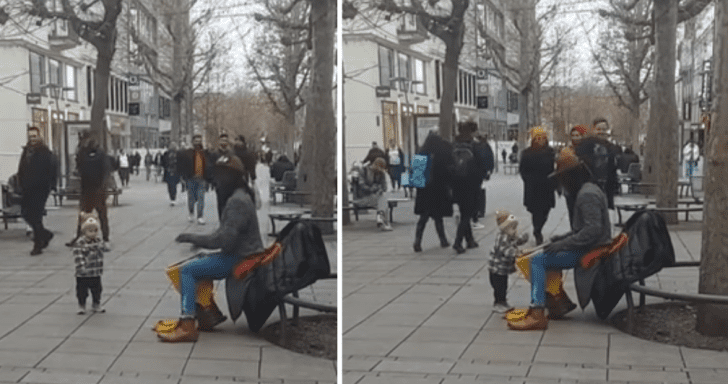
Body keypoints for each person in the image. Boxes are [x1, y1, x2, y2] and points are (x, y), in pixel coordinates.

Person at [508, 147, 611, 331]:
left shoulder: (587, 194)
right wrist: (561, 238)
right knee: (544, 256)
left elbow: (592, 231)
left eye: (563, 178)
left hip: (592, 251)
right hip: (590, 246)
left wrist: (562, 244)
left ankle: (537, 311)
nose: (561, 184)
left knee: (537, 261)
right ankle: (558, 303)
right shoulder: (588, 190)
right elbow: (584, 229)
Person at [163, 155, 263, 342]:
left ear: (231, 177)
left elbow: (225, 240)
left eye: (220, 176)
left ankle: (187, 324)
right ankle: (209, 314)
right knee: (199, 263)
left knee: (187, 271)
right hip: (242, 254)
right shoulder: (240, 196)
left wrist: (192, 238)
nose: (216, 180)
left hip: (242, 258)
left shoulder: (237, 202)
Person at [17, 126, 57, 256]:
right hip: (27, 188)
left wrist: (51, 186)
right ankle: (45, 235)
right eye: (30, 136)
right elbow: (21, 168)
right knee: (27, 214)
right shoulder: (26, 151)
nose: (32, 139)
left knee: (36, 216)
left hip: (40, 189)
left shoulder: (45, 152)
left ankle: (37, 244)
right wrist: (20, 182)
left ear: (39, 136)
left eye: (34, 136)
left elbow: (52, 171)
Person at [412, 133, 453, 252]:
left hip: (424, 191)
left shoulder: (421, 154)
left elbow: (416, 175)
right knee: (438, 217)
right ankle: (443, 240)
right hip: (436, 191)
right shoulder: (440, 155)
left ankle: (418, 241)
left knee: (423, 218)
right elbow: (445, 174)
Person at [73, 134, 113, 250]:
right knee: (102, 216)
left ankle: (80, 236)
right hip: (98, 190)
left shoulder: (83, 155)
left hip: (87, 190)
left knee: (84, 215)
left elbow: (79, 169)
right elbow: (106, 171)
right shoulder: (101, 155)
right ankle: (105, 239)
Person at [519, 127, 556, 245]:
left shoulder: (550, 152)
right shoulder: (527, 153)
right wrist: (528, 180)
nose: (540, 140)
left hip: (547, 186)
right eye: (538, 138)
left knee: (546, 211)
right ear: (534, 139)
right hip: (533, 187)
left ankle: (538, 228)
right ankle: (537, 231)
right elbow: (522, 170)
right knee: (536, 212)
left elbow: (553, 168)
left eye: (543, 138)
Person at [450, 121, 483, 254]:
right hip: (470, 185)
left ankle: (470, 240)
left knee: (464, 212)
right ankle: (458, 242)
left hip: (456, 185)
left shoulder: (454, 145)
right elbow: (481, 166)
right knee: (466, 215)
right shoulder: (474, 145)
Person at [574, 118, 619, 209]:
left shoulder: (611, 148)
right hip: (588, 191)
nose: (602, 132)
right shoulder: (585, 145)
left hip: (604, 191)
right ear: (593, 129)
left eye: (604, 129)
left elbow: (612, 172)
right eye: (599, 129)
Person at [489, 210, 529, 313]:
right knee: (499, 287)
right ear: (505, 227)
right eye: (512, 227)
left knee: (504, 285)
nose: (514, 230)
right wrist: (515, 252)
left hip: (502, 268)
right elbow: (505, 250)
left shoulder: (509, 234)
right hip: (497, 268)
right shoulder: (502, 237)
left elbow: (516, 240)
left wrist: (523, 239)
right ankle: (498, 303)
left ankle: (502, 301)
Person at [73, 215, 106, 315]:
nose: (93, 233)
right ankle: (81, 304)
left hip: (95, 271)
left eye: (95, 231)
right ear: (84, 231)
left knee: (97, 289)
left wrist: (103, 246)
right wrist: (81, 267)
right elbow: (78, 255)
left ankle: (96, 303)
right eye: (90, 231)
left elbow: (105, 249)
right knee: (82, 290)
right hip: (83, 273)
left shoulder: (98, 241)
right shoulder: (80, 242)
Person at [178, 134, 213, 224]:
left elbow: (209, 165)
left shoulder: (205, 153)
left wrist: (209, 179)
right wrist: (183, 177)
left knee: (201, 197)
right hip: (191, 179)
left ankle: (200, 216)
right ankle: (191, 212)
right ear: (193, 142)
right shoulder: (188, 153)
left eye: (199, 141)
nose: (198, 143)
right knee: (191, 198)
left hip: (202, 179)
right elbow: (183, 166)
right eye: (196, 141)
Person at [352, 157, 392, 231]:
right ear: (375, 165)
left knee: (382, 198)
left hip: (375, 197)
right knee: (383, 200)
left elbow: (384, 187)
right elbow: (362, 186)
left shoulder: (381, 173)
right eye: (379, 167)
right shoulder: (363, 170)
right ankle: (382, 219)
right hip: (363, 198)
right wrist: (374, 188)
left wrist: (379, 189)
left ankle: (381, 219)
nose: (380, 170)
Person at [472, 134, 494, 229]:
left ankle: (475, 213)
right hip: (479, 173)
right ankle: (479, 212)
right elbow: (489, 158)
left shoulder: (472, 145)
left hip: (472, 173)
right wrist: (488, 171)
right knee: (478, 192)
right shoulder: (485, 146)